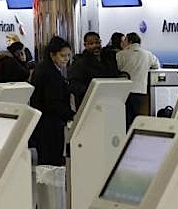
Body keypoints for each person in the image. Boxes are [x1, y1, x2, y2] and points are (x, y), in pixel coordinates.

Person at [29, 36, 74, 166]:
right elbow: (53, 102)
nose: (66, 59)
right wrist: (71, 115)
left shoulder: (45, 68)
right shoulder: (50, 73)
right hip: (49, 125)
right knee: (51, 161)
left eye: (68, 55)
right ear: (52, 55)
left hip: (44, 123)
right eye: (62, 55)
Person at [116, 32, 160, 129]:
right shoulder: (148, 54)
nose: (123, 43)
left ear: (130, 41)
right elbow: (156, 65)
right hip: (140, 91)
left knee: (124, 119)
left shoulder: (121, 54)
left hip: (124, 91)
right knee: (136, 119)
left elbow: (116, 69)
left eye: (125, 40)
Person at [68, 31, 120, 107]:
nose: (95, 46)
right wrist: (92, 91)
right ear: (85, 45)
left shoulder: (108, 60)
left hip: (109, 101)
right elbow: (74, 85)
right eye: (91, 44)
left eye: (97, 43)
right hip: (90, 103)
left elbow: (115, 75)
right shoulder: (80, 63)